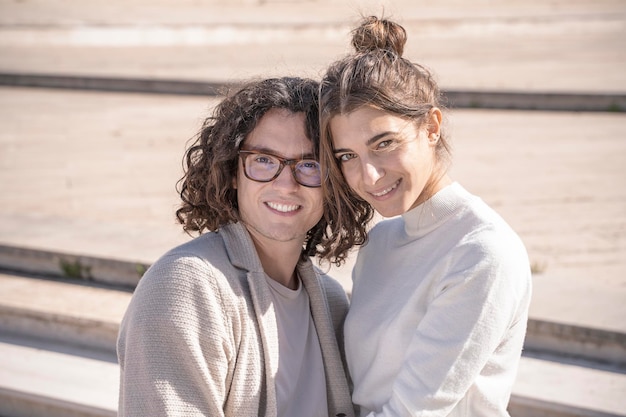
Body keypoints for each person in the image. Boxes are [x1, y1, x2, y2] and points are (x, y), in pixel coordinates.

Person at [317, 16, 532, 417]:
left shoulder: (481, 252)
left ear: (431, 126)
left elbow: (413, 411)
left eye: (384, 143)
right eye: (347, 156)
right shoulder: (382, 241)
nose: (369, 176)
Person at [117, 77, 354, 417]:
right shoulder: (185, 288)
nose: (286, 184)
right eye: (263, 160)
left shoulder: (330, 301)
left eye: (309, 164)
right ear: (232, 171)